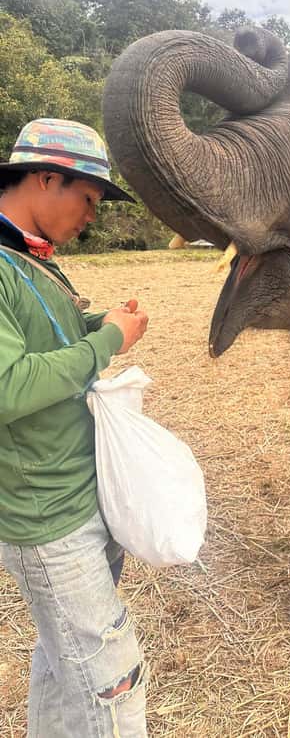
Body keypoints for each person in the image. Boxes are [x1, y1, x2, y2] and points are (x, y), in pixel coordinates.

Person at [0, 119, 149, 736]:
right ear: (45, 178)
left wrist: (92, 325)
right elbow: (8, 386)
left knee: (66, 667)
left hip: (76, 496)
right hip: (46, 517)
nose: (92, 216)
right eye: (87, 199)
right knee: (114, 683)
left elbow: (42, 344)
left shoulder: (31, 260)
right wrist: (110, 341)